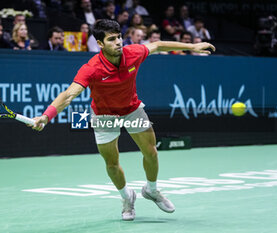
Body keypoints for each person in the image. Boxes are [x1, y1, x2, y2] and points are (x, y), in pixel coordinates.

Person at [30, 19, 215, 221]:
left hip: (132, 109)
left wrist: (192, 47)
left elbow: (159, 45)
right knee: (112, 163)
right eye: (111, 39)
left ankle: (151, 190)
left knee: (151, 152)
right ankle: (127, 197)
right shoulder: (91, 68)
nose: (118, 42)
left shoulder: (133, 53)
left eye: (119, 37)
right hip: (104, 116)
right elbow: (68, 95)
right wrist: (47, 115)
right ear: (100, 44)